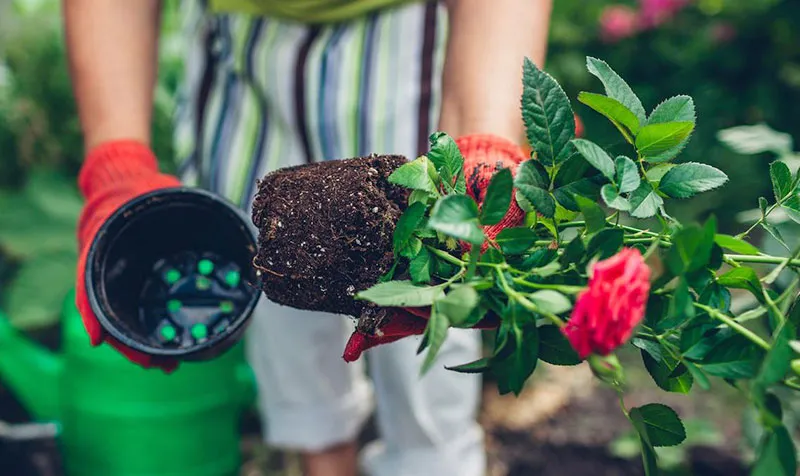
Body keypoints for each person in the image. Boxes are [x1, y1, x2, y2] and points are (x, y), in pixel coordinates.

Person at [64, 0, 553, 475]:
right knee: (282, 307)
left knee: (428, 322)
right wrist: (117, 165)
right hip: (244, 51)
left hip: (405, 40)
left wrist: (485, 138)